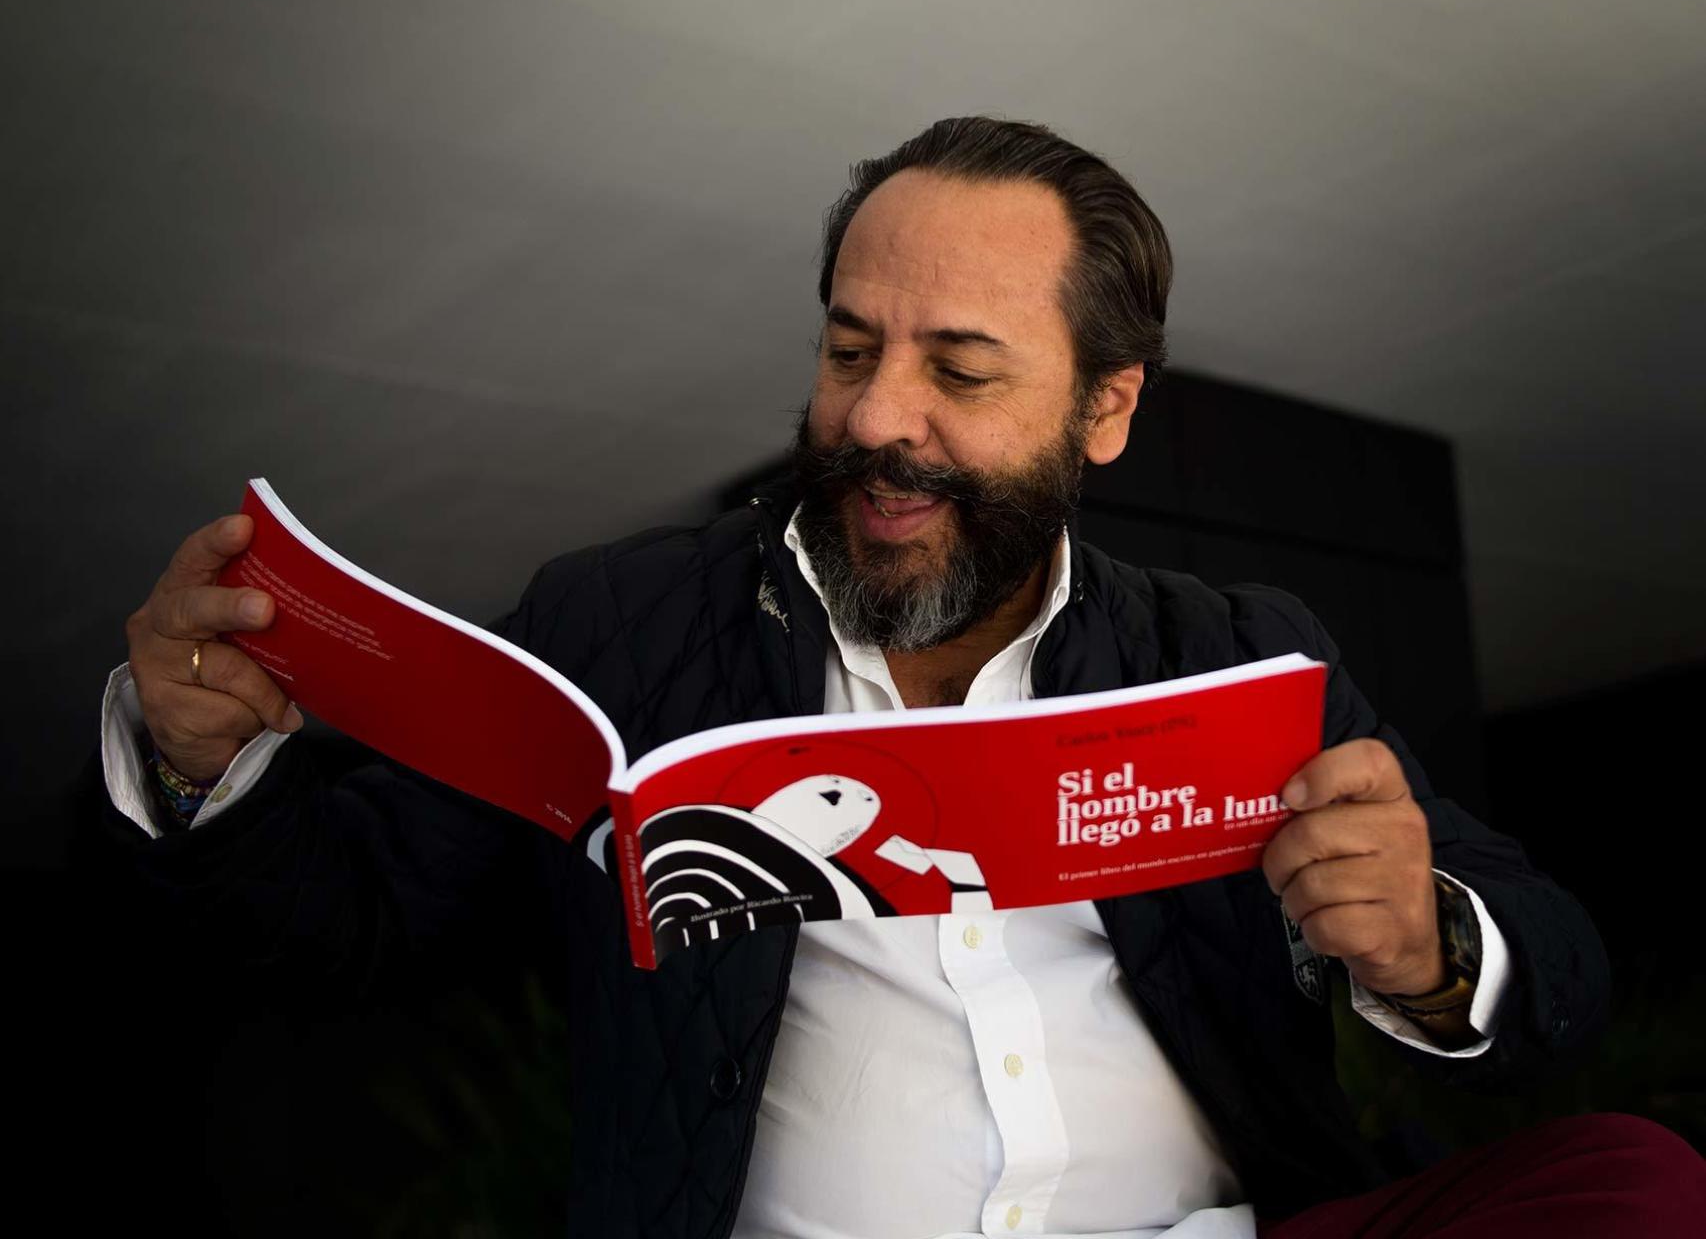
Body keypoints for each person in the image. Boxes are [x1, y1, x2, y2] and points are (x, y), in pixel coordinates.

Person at [96, 117, 1702, 1237]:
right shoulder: (621, 616)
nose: (876, 419)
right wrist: (199, 764)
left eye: (960, 368)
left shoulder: (1238, 652)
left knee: (1632, 1176)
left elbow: (1548, 970)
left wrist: (1426, 946)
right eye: (850, 348)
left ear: (1104, 408)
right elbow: (343, 915)